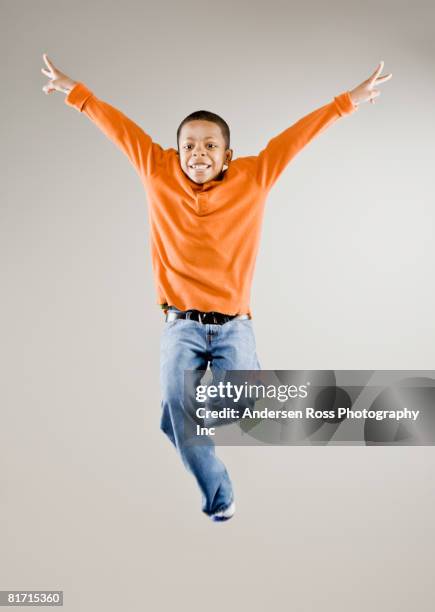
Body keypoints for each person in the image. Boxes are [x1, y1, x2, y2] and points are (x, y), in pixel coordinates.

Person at [41, 54, 392, 522]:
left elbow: (296, 138)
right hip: (180, 325)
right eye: (188, 145)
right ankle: (219, 497)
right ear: (176, 150)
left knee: (230, 403)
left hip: (233, 326)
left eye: (209, 146)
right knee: (185, 420)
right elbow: (119, 128)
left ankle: (186, 412)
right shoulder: (157, 170)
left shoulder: (254, 177)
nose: (198, 154)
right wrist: (75, 92)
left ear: (228, 155)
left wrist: (349, 101)